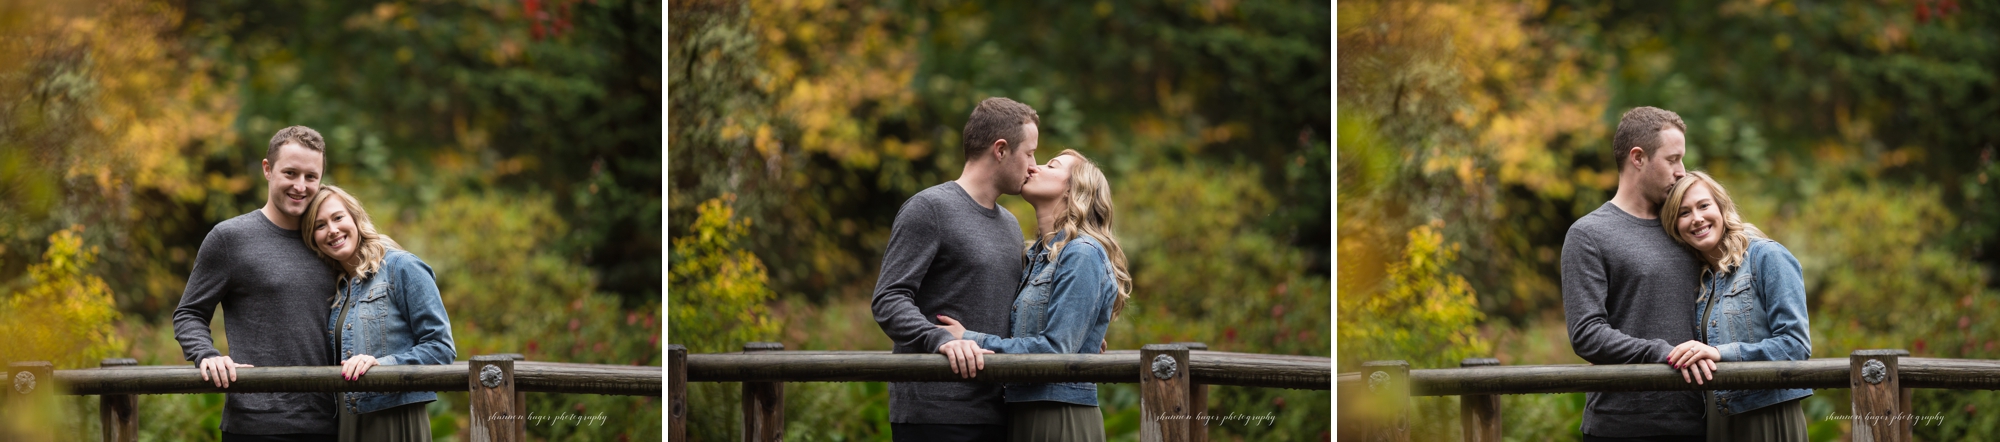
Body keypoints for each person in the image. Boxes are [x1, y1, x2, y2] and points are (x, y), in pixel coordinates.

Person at [870, 97, 1041, 441]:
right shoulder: (929, 209)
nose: (1034, 166)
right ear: (1000, 149)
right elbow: (888, 299)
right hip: (937, 413)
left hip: (1000, 412)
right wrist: (940, 339)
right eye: (1030, 153)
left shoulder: (1010, 225)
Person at [935, 149, 1131, 442]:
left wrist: (969, 339)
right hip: (1021, 407)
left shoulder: (1082, 253)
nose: (1033, 167)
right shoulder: (1036, 257)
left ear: (1073, 189)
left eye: (1051, 165)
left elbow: (1056, 351)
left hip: (1058, 411)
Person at [174, 126, 342, 442]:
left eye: (311, 177)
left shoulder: (331, 241)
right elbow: (189, 313)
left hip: (331, 423)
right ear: (267, 169)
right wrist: (207, 355)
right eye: (290, 173)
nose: (301, 186)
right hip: (255, 425)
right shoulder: (230, 238)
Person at [1562, 106, 1707, 441]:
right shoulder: (1588, 235)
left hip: (1698, 420)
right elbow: (1586, 334)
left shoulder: (1685, 226)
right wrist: (1662, 352)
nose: (1682, 172)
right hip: (1621, 425)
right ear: (1638, 158)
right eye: (1673, 160)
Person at [1662, 172, 1812, 440]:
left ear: (1721, 207)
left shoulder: (1767, 257)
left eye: (1703, 205)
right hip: (1718, 418)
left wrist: (1719, 353)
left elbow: (1795, 346)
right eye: (1684, 213)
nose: (1696, 218)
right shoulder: (1698, 278)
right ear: (1675, 225)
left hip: (1767, 414)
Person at [302, 185, 457, 441]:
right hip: (348, 420)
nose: (332, 230)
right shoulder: (338, 286)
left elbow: (441, 348)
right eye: (320, 225)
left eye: (338, 217)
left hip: (395, 417)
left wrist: (383, 365)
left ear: (355, 218)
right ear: (313, 237)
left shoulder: (402, 267)